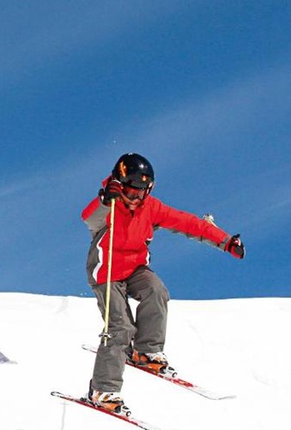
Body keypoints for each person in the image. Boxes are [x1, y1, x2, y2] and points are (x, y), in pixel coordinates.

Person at [82, 152, 245, 415]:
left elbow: (189, 223)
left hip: (135, 269)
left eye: (141, 193)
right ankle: (103, 389)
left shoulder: (151, 208)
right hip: (107, 273)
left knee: (157, 290)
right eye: (129, 192)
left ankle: (146, 351)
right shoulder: (109, 205)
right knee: (120, 327)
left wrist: (225, 241)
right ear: (118, 185)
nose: (135, 198)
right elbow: (89, 218)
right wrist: (105, 199)